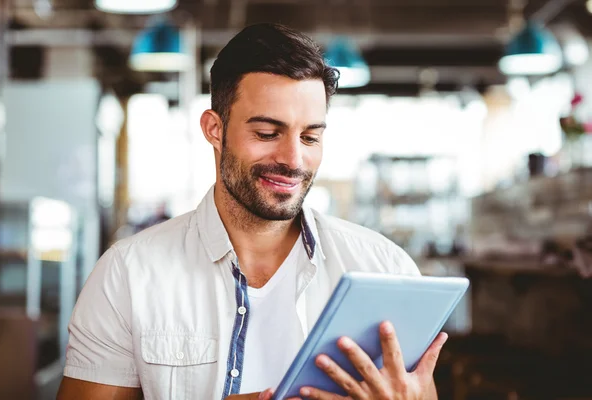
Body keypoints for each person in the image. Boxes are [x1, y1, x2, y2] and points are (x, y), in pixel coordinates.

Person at [56, 23, 447, 400]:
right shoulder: (128, 274)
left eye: (310, 136)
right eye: (267, 133)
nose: (293, 160)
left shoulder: (384, 268)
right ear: (214, 129)